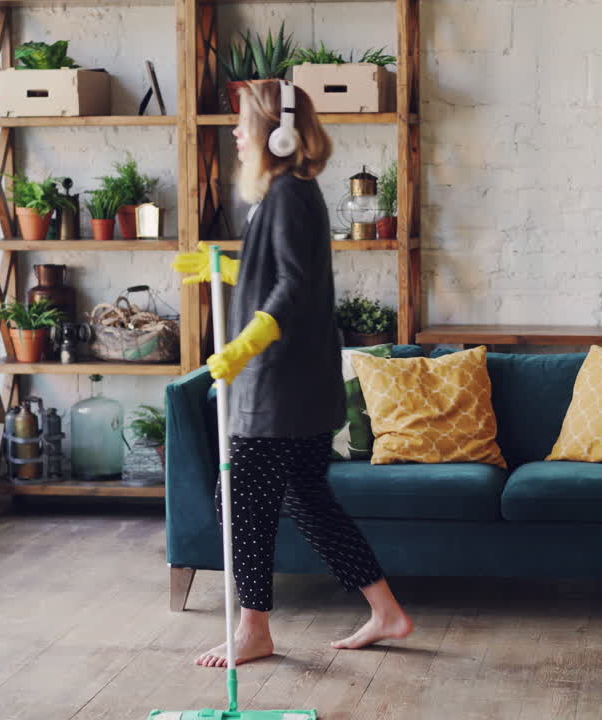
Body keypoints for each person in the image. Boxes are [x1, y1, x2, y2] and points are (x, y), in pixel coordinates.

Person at [174, 79, 414, 669]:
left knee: (240, 501)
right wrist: (230, 270)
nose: (234, 133)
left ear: (276, 133)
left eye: (242, 124)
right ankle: (386, 611)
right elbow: (285, 273)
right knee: (308, 499)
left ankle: (253, 628)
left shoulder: (287, 196)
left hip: (275, 388)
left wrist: (247, 342)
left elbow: (293, 288)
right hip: (300, 388)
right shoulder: (291, 193)